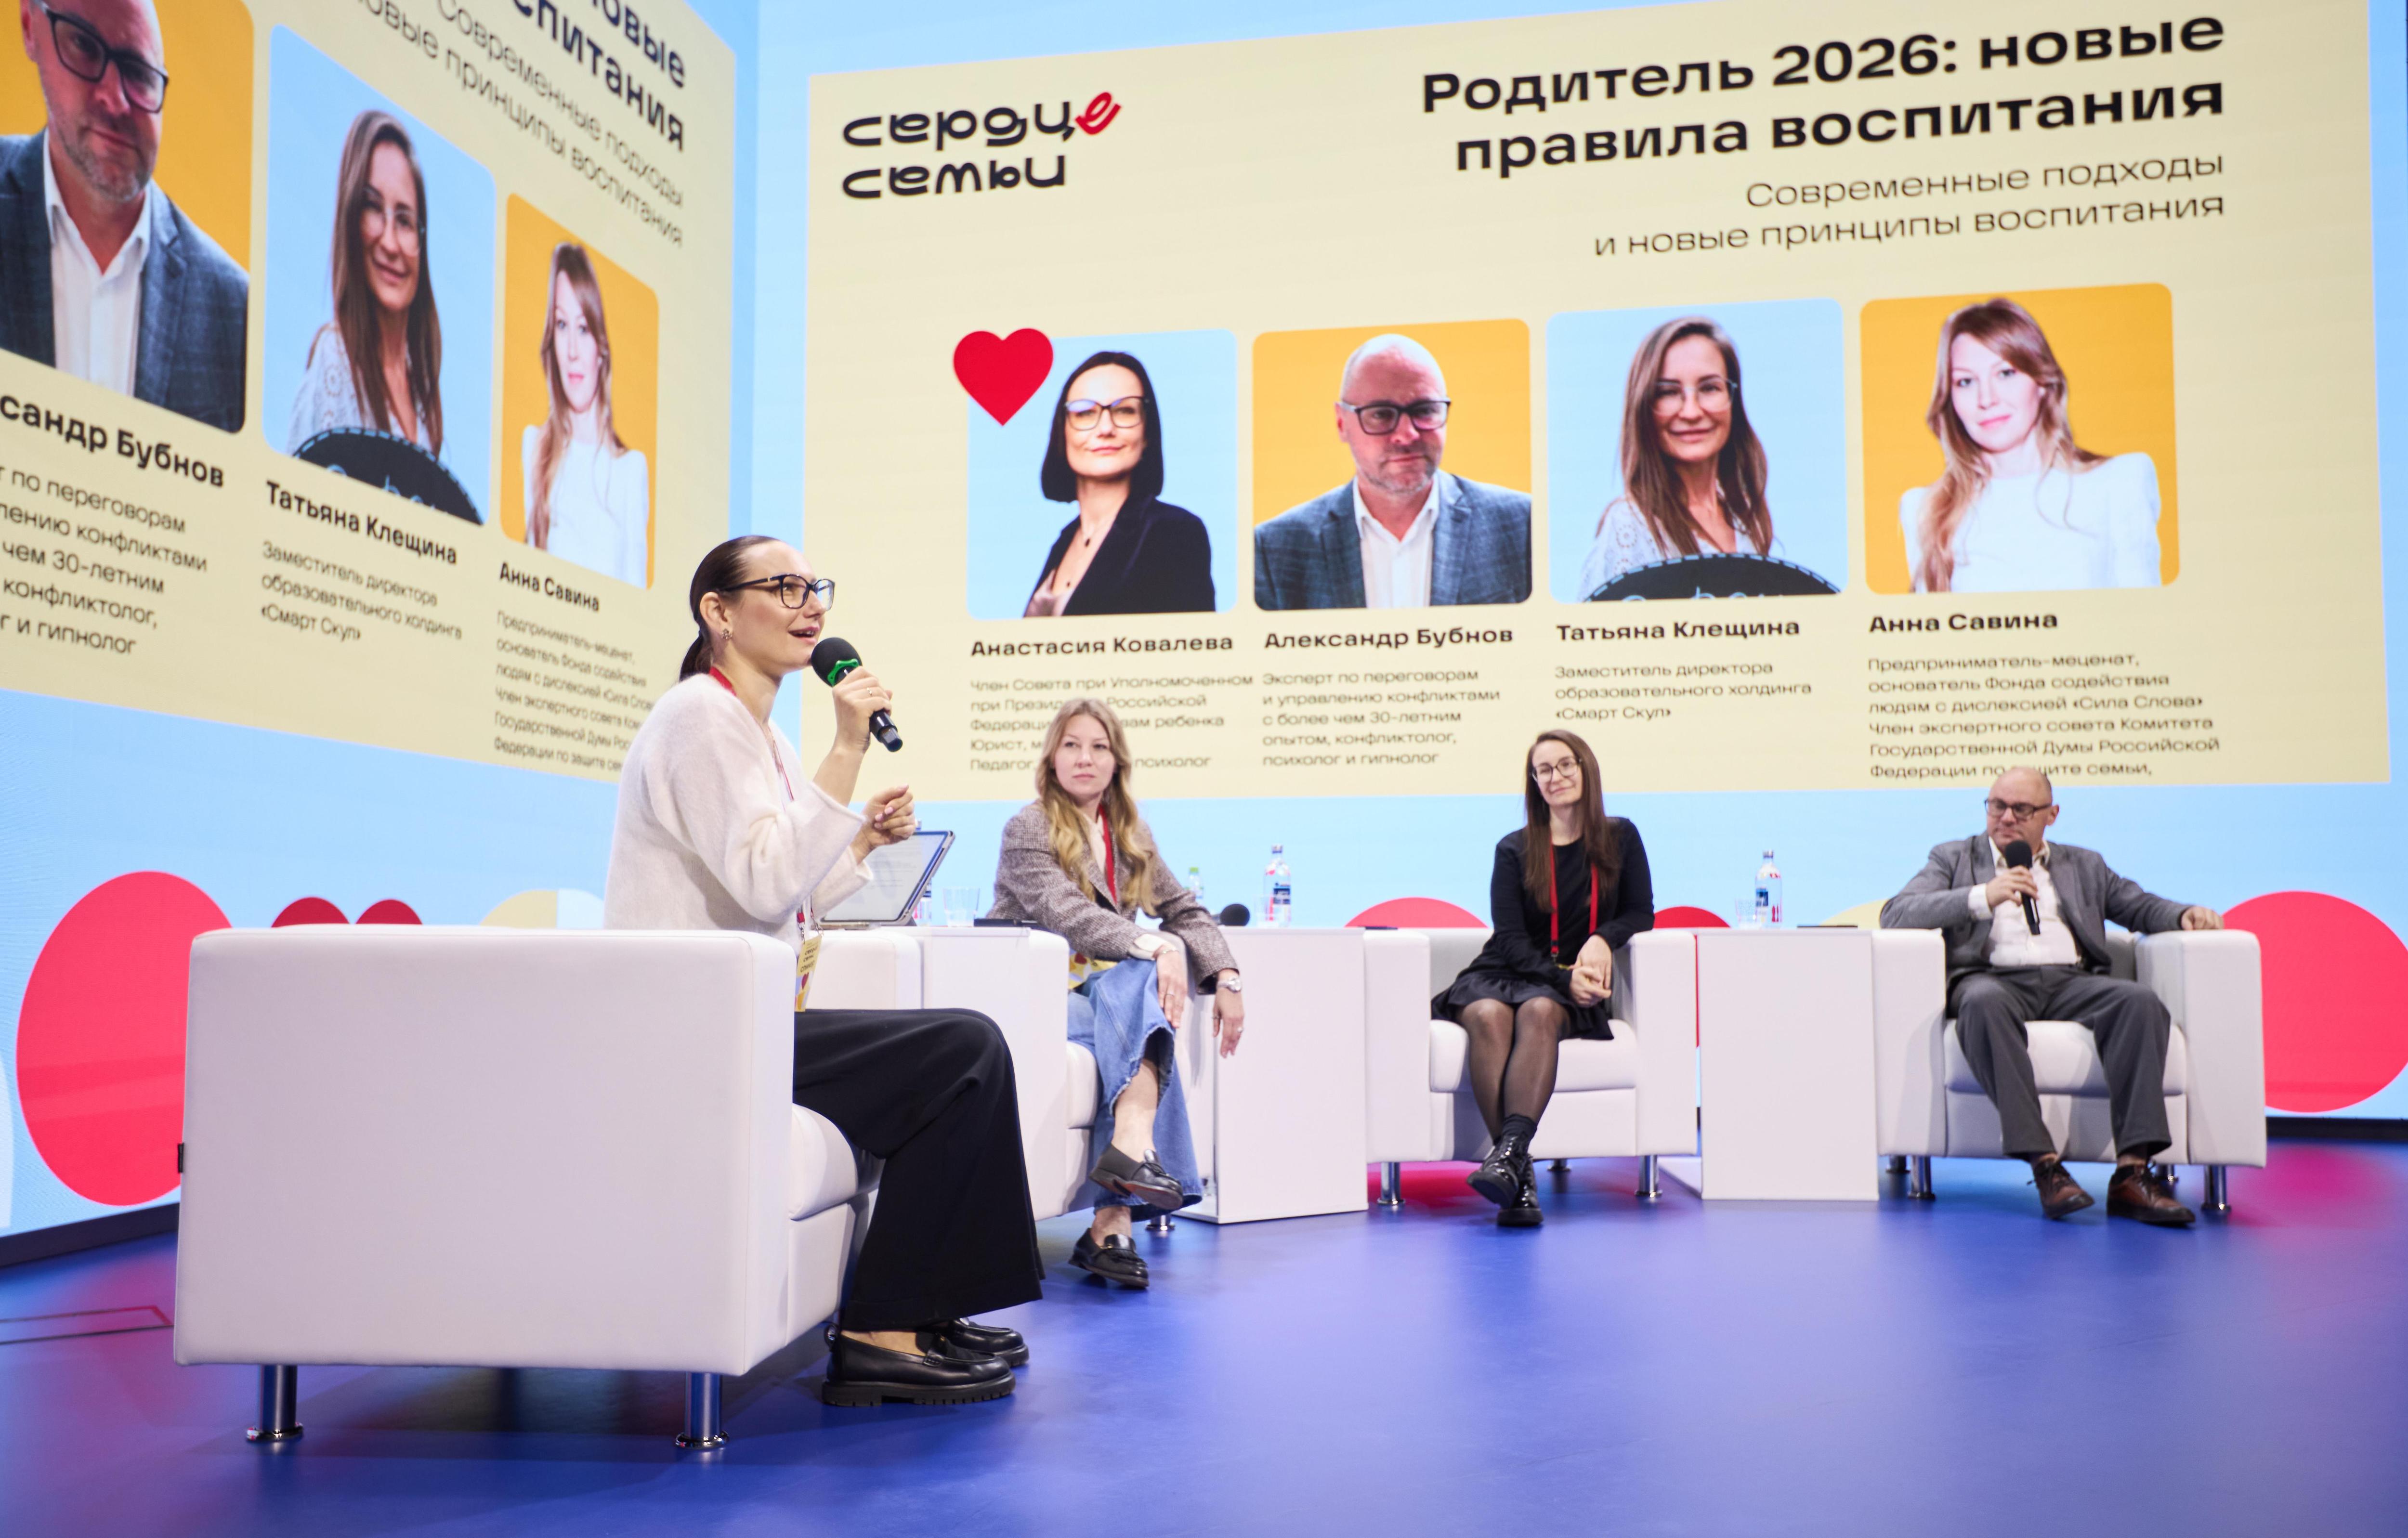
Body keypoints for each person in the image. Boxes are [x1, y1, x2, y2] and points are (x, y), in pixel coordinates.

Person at [604, 534, 1044, 1405]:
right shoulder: (698, 717)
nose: (811, 604)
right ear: (719, 612)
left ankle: (925, 1307)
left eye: (815, 587)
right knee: (961, 1050)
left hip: (744, 1017)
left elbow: (783, 890)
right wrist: (847, 747)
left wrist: (863, 843)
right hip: (692, 1031)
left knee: (965, 1048)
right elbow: (766, 878)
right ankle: (882, 1328)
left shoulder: (755, 730)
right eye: (784, 586)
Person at [1880, 767, 2219, 1225]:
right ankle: (2045, 1166)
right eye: (1997, 806)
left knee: (2138, 1004)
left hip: (2070, 981)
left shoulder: (2084, 865)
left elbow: (2137, 906)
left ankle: (2133, 1174)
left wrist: (2183, 915)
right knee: (1982, 1004)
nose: (2006, 818)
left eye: (2022, 810)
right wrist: (1982, 896)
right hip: (1991, 979)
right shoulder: (1953, 858)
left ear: (2051, 815)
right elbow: (1896, 913)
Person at [987, 697, 1245, 1289]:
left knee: (1136, 993)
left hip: (1103, 993)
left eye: (1098, 746)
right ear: (1052, 759)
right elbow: (1070, 915)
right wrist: (1155, 946)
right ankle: (1116, 1210)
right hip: (1038, 992)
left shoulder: (1128, 832)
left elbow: (1184, 909)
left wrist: (1226, 975)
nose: (1085, 758)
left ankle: (1119, 1190)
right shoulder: (1028, 826)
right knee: (1144, 995)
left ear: (1116, 761)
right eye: (1071, 745)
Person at [1436, 730, 1652, 1226]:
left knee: (1538, 1011)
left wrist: (1602, 938)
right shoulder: (1514, 849)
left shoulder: (1621, 837)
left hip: (1561, 990)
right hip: (1506, 972)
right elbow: (1510, 939)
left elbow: (1640, 912)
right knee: (1486, 1015)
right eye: (1543, 770)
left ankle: (1509, 1162)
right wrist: (1560, 978)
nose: (1555, 777)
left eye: (1565, 765)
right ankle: (1518, 1174)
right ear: (1534, 782)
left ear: (1585, 767)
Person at [0, 0, 246, 431]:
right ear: (30, 27)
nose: (115, 100)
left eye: (138, 72)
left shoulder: (234, 308)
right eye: (84, 46)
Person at [1900, 298, 2161, 593]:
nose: (1987, 399)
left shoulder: (2119, 481)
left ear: (2042, 382)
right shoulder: (1926, 510)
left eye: (2005, 373)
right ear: (1950, 398)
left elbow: (2145, 614)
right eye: (1966, 382)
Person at [1253, 334, 1530, 610]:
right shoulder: (1274, 550)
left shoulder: (1524, 525)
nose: (1407, 435)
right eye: (1381, 414)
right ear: (1341, 423)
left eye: (1424, 411)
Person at [1579, 316, 1779, 597]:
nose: (1691, 412)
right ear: (1644, 407)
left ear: (1733, 399)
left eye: (1709, 388)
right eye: (1669, 393)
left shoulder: (1745, 516)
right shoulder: (1629, 525)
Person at [287, 111, 445, 459]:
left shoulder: (421, 390)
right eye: (373, 208)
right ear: (351, 221)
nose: (390, 243)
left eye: (405, 220)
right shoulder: (335, 360)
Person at [1021, 351, 1213, 615]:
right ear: (1062, 432)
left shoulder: (1175, 532)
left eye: (1124, 411)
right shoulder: (1065, 541)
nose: (1105, 429)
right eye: (1085, 413)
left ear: (1147, 433)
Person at [523, 243, 648, 587]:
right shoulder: (534, 447)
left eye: (583, 328)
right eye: (562, 325)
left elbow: (636, 592)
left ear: (601, 349)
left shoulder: (630, 470)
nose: (572, 351)